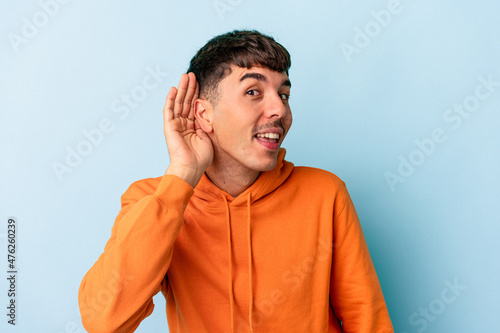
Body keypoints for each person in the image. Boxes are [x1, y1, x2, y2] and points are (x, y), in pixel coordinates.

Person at [78, 30, 394, 333]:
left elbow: (366, 317)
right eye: (253, 92)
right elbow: (104, 321)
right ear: (203, 114)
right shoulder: (153, 200)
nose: (279, 109)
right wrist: (181, 177)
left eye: (284, 94)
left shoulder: (325, 193)